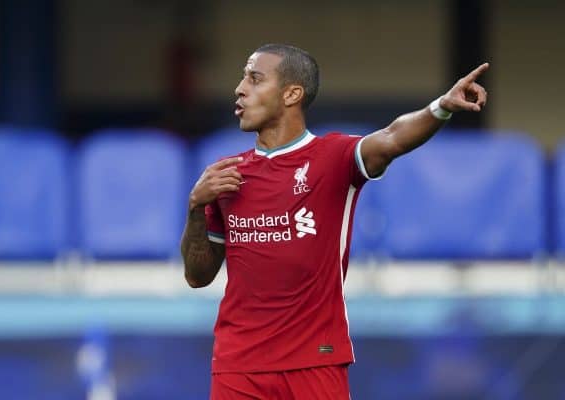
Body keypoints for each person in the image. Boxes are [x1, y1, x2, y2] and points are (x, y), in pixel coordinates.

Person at [181, 43, 488, 399]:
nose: (240, 88)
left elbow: (391, 138)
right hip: (239, 366)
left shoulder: (333, 157)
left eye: (254, 78)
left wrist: (442, 108)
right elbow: (197, 276)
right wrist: (194, 207)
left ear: (291, 93)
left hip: (316, 360)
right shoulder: (225, 176)